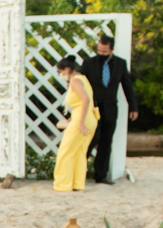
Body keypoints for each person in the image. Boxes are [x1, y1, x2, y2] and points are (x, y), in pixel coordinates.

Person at [80, 35, 138, 185]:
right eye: (99, 50)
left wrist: (133, 107)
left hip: (110, 108)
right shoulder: (88, 63)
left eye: (105, 51)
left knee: (106, 142)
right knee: (92, 139)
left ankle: (101, 175)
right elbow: (79, 85)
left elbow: (127, 86)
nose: (101, 53)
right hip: (92, 109)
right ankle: (79, 171)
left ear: (112, 49)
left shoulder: (120, 64)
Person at [50, 56, 99, 193]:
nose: (60, 75)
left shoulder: (76, 81)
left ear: (66, 69)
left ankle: (62, 185)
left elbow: (85, 100)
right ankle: (78, 184)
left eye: (60, 72)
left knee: (65, 151)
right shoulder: (82, 78)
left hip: (82, 118)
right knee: (79, 152)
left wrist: (81, 122)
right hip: (90, 117)